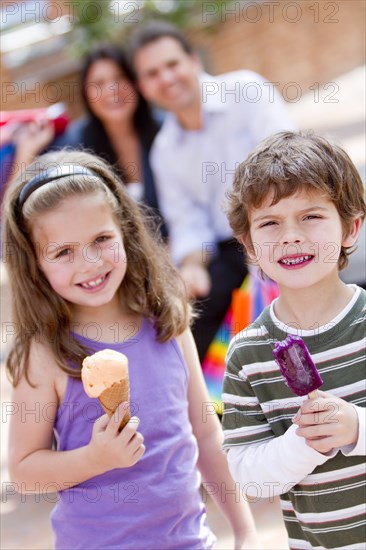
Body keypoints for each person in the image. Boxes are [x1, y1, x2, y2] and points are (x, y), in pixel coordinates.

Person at [3, 149, 258, 550]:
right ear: (35, 264)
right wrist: (93, 459)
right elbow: (23, 470)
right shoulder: (46, 354)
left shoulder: (167, 322)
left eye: (101, 239)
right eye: (63, 252)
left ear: (125, 232)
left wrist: (244, 531)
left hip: (191, 541)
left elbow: (206, 434)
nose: (88, 263)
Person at [222, 131, 366, 549]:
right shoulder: (248, 354)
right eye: (270, 222)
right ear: (249, 244)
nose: (290, 235)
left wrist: (355, 426)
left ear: (350, 228)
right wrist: (305, 441)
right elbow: (250, 478)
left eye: (311, 216)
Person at [129, 21, 295, 361]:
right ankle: (218, 405)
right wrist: (192, 265)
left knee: (285, 313)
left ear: (194, 61)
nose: (166, 78)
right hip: (228, 247)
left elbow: (289, 162)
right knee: (186, 320)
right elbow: (188, 221)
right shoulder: (165, 150)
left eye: (172, 64)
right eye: (152, 73)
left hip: (284, 222)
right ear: (144, 87)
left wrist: (264, 237)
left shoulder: (246, 91)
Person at [54, 44, 167, 237]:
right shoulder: (73, 149)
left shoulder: (165, 130)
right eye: (98, 84)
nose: (111, 90)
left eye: (119, 78)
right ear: (86, 94)